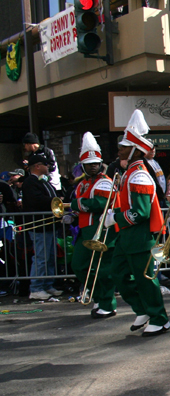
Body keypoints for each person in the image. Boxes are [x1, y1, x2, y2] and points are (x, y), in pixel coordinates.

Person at [106, 109, 170, 336]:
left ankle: (160, 318)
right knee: (118, 274)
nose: (120, 149)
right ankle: (142, 308)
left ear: (135, 150)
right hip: (127, 236)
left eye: (125, 146)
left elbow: (141, 212)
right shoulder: (129, 172)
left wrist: (115, 217)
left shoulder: (140, 175)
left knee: (146, 280)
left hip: (140, 236)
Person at [70, 132, 118, 318]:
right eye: (89, 164)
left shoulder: (105, 182)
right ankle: (98, 295)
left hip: (103, 231)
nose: (93, 166)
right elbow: (84, 205)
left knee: (103, 269)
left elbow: (99, 203)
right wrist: (72, 215)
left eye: (96, 163)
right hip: (85, 231)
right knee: (79, 265)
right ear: (83, 165)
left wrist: (76, 205)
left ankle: (107, 303)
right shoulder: (82, 184)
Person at [22, 152, 62, 300]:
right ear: (37, 166)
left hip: (49, 225)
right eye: (45, 164)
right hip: (40, 226)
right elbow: (36, 200)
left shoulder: (43, 181)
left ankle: (47, 284)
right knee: (41, 257)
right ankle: (36, 288)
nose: (48, 167)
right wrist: (54, 201)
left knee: (50, 256)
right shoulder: (30, 182)